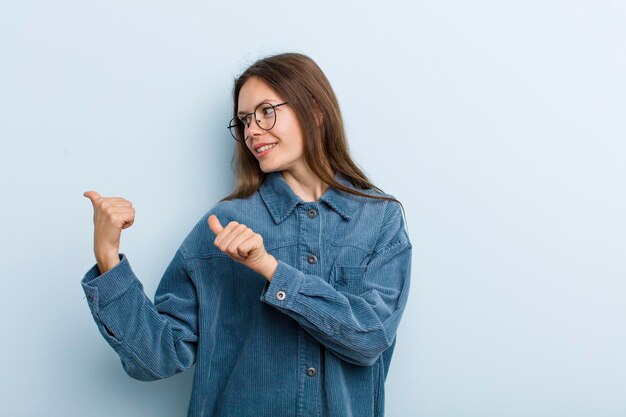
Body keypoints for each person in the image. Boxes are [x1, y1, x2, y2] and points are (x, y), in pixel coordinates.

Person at [82, 52, 412, 417]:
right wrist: (108, 258)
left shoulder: (379, 218)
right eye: (243, 120)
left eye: (266, 111)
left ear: (315, 111)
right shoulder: (222, 225)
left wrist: (270, 269)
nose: (252, 130)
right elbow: (158, 358)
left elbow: (369, 338)